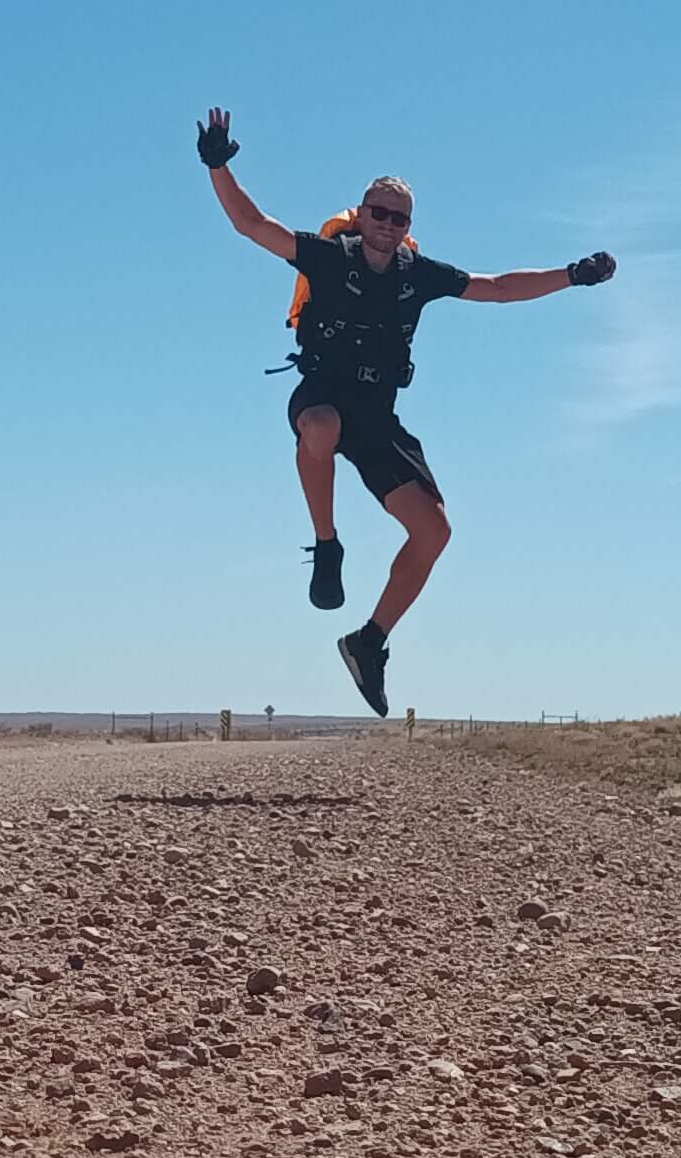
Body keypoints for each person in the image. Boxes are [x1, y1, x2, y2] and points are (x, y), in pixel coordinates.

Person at [195, 106, 613, 715]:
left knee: (435, 531)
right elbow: (252, 225)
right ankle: (327, 544)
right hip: (322, 392)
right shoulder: (327, 258)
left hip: (378, 416)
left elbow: (496, 287)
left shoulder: (419, 276)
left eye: (400, 217)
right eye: (378, 213)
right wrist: (217, 166)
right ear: (360, 216)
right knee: (318, 427)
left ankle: (369, 642)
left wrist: (572, 276)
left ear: (408, 225)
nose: (388, 224)